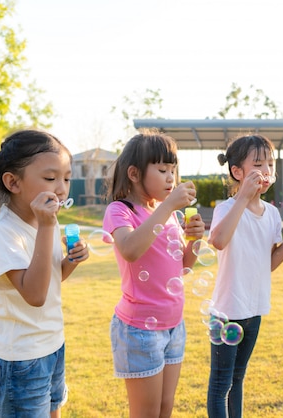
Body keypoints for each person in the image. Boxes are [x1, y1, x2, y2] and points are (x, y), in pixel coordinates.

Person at [0, 129, 90, 417]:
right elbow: (35, 295)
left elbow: (49, 280)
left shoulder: (45, 222)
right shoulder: (2, 232)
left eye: (66, 177)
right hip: (20, 360)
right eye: (50, 178)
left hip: (52, 344)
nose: (61, 188)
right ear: (12, 182)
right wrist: (48, 227)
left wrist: (70, 261)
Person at [102, 131, 206, 418]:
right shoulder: (120, 210)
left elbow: (182, 266)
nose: (171, 178)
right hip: (139, 329)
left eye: (173, 170)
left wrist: (195, 240)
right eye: (162, 170)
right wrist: (170, 205)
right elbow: (130, 250)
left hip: (173, 324)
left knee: (164, 408)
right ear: (134, 173)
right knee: (146, 412)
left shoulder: (166, 212)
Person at [207, 133, 283, 418]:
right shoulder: (226, 209)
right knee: (221, 383)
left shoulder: (271, 214)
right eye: (259, 164)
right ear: (237, 171)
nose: (267, 171)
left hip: (254, 308)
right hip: (226, 310)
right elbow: (219, 240)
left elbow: (269, 262)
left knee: (238, 378)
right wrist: (243, 198)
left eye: (271, 164)